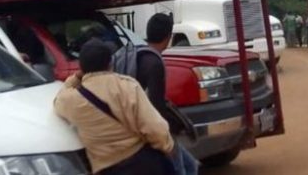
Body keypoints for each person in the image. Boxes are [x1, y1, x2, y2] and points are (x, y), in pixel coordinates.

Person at [54, 39, 175, 175]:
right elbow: (155, 127)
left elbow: (59, 97)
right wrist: (167, 148)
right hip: (142, 163)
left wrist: (76, 76)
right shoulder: (127, 86)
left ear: (82, 67)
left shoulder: (71, 100)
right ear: (110, 63)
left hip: (107, 169)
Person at [113, 13, 199, 175]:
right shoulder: (154, 63)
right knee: (181, 168)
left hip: (127, 125)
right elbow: (156, 106)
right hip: (149, 130)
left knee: (190, 165)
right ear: (168, 37)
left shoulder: (134, 53)